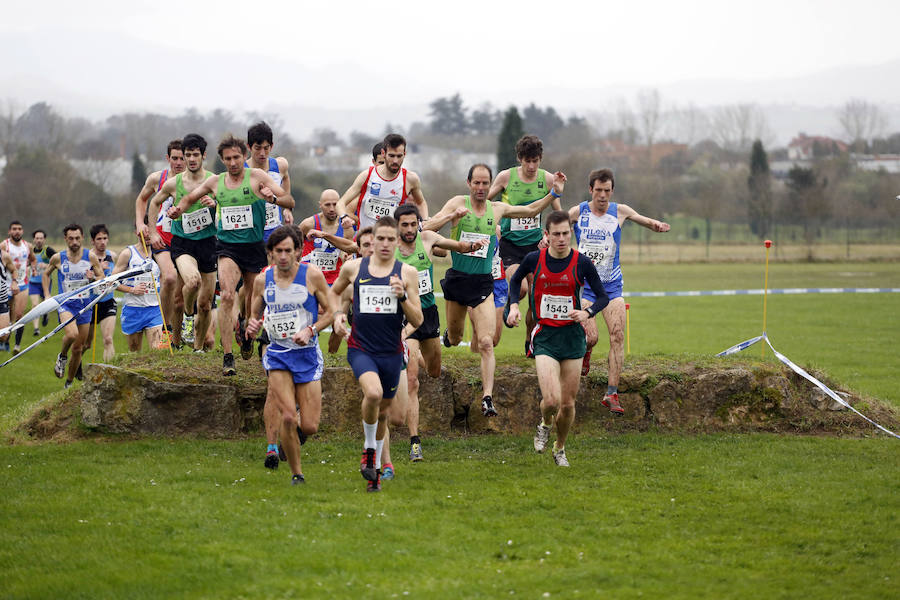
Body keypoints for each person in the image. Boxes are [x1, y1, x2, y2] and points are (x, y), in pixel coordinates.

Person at [424, 164, 567, 417]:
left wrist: (554, 194)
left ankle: (487, 397)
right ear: (468, 183)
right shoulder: (457, 202)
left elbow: (531, 209)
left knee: (486, 342)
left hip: (482, 282)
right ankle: (450, 335)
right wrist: (450, 217)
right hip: (458, 279)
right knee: (456, 338)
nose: (481, 188)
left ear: (491, 185)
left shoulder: (497, 209)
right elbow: (426, 227)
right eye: (476, 183)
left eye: (485, 183)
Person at [168, 134, 293, 375]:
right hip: (227, 247)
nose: (233, 163)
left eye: (237, 157)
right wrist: (178, 210)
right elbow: (189, 197)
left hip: (254, 246)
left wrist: (274, 199)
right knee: (226, 295)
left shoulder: (257, 176)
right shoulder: (217, 181)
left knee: (250, 301)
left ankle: (245, 326)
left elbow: (290, 199)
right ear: (222, 160)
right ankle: (228, 357)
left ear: (244, 156)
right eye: (228, 159)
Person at [505, 211, 610, 466]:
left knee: (568, 404)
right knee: (551, 400)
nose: (562, 239)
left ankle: (560, 448)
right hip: (546, 337)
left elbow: (602, 297)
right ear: (547, 235)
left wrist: (587, 312)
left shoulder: (582, 262)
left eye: (565, 233)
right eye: (556, 234)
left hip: (573, 339)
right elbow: (515, 280)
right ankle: (544, 424)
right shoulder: (534, 259)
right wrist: (514, 307)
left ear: (570, 233)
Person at [328, 217, 423, 492]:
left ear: (397, 241)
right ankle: (369, 450)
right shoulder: (354, 268)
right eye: (379, 239)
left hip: (391, 353)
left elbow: (417, 319)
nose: (384, 244)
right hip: (361, 348)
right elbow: (332, 294)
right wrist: (337, 316)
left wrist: (403, 297)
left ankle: (375, 475)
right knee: (373, 394)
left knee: (383, 414)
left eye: (389, 239)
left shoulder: (407, 273)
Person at [569, 168, 670, 413]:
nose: (602, 195)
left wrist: (655, 225)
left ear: (612, 191)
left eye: (607, 190)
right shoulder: (578, 212)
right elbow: (556, 225)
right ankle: (586, 352)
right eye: (598, 190)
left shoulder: (619, 211)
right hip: (585, 287)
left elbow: (642, 219)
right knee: (592, 337)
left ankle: (612, 394)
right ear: (590, 189)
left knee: (617, 335)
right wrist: (544, 236)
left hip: (612, 286)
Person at [246, 226, 332, 484]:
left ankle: (292, 438)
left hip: (307, 355)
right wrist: (252, 325)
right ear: (270, 253)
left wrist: (310, 329)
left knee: (309, 426)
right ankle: (297, 474)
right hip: (278, 355)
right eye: (278, 251)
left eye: (288, 251)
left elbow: (330, 311)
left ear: (298, 251)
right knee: (286, 415)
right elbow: (254, 315)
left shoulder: (312, 276)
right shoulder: (263, 280)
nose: (283, 256)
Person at [394, 203, 479, 461]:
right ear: (397, 227)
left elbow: (456, 247)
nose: (409, 229)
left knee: (433, 371)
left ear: (419, 224)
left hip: (428, 315)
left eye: (413, 224)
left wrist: (470, 247)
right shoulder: (389, 250)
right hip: (403, 318)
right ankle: (415, 442)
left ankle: (417, 356)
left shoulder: (428, 239)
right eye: (404, 225)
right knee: (412, 381)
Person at [489, 135, 561, 354]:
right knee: (520, 288)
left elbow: (558, 213)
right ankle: (508, 307)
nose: (531, 166)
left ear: (540, 159)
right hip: (510, 245)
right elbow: (484, 203)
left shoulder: (547, 179)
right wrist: (495, 224)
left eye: (535, 160)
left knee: (535, 298)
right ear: (520, 158)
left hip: (536, 247)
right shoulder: (505, 177)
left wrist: (549, 236)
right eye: (527, 160)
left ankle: (530, 341)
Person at [148, 133, 217, 353]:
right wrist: (152, 232)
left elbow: (227, 209)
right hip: (183, 243)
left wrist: (214, 204)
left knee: (205, 304)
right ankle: (188, 317)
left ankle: (197, 349)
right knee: (193, 282)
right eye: (188, 155)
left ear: (204, 155)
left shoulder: (215, 181)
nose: (192, 159)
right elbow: (154, 203)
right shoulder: (173, 183)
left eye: (196, 154)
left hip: (208, 243)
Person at [135, 140, 186, 347]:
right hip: (161, 241)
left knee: (180, 299)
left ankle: (176, 340)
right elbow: (141, 200)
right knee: (170, 278)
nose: (179, 162)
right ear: (168, 159)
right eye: (175, 158)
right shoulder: (158, 179)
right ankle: (166, 328)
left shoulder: (197, 180)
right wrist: (141, 223)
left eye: (183, 158)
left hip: (185, 242)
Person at [42, 224, 104, 388]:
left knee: (78, 349)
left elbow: (102, 278)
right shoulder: (58, 258)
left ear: (82, 238)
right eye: (71, 238)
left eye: (77, 238)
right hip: (66, 305)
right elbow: (46, 274)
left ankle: (68, 383)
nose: (74, 241)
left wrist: (93, 279)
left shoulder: (90, 257)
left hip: (85, 306)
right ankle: (62, 356)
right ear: (65, 239)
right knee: (71, 335)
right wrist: (48, 296)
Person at [299, 189, 354, 354]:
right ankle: (305, 351)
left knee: (338, 325)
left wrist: (347, 259)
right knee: (309, 321)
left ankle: (331, 356)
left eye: (335, 204)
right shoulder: (308, 223)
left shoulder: (346, 227)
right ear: (320, 205)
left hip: (335, 281)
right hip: (312, 280)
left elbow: (348, 250)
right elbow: (293, 244)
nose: (332, 208)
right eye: (327, 205)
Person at [337, 133, 429, 231]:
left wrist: (425, 221)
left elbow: (421, 202)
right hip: (367, 241)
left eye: (399, 156)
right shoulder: (367, 175)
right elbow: (341, 203)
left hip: (392, 241)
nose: (395, 161)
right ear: (383, 153)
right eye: (391, 155)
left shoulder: (410, 179)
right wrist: (344, 217)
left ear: (404, 154)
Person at [112, 233, 164, 351]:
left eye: (149, 232)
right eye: (144, 232)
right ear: (137, 231)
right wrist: (132, 289)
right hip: (133, 309)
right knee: (135, 354)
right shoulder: (128, 253)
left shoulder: (160, 253)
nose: (147, 236)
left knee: (157, 350)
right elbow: (112, 281)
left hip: (154, 309)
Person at [247, 121, 294, 242]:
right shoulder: (241, 170)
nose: (262, 153)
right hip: (250, 234)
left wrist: (287, 208)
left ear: (271, 146)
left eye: (266, 148)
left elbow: (286, 178)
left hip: (274, 230)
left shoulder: (280, 165)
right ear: (249, 147)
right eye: (257, 148)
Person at [1, 221, 36, 355]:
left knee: (20, 315)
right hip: (5, 285)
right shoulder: (4, 245)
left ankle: (17, 345)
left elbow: (33, 259)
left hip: (22, 284)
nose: (17, 231)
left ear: (22, 231)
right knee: (8, 315)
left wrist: (33, 268)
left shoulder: (27, 246)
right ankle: (5, 341)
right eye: (14, 229)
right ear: (9, 231)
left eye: (19, 229)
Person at [85, 224, 117, 362]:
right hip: (90, 304)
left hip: (107, 302)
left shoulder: (112, 256)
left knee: (108, 340)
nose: (102, 242)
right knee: (86, 344)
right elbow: (82, 283)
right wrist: (94, 274)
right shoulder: (86, 258)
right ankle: (76, 364)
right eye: (99, 239)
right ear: (92, 241)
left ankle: (109, 374)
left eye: (105, 238)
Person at [28, 229, 55, 335]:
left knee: (45, 304)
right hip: (33, 282)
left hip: (46, 282)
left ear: (44, 240)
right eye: (37, 238)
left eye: (41, 238)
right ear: (34, 239)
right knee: (35, 304)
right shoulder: (30, 251)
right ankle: (36, 329)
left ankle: (45, 314)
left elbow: (58, 262)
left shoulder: (48, 251)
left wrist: (47, 265)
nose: (39, 240)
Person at [0, 249, 19, 351]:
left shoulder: (4, 256)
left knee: (4, 335)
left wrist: (14, 282)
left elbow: (14, 270)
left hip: (1, 298)